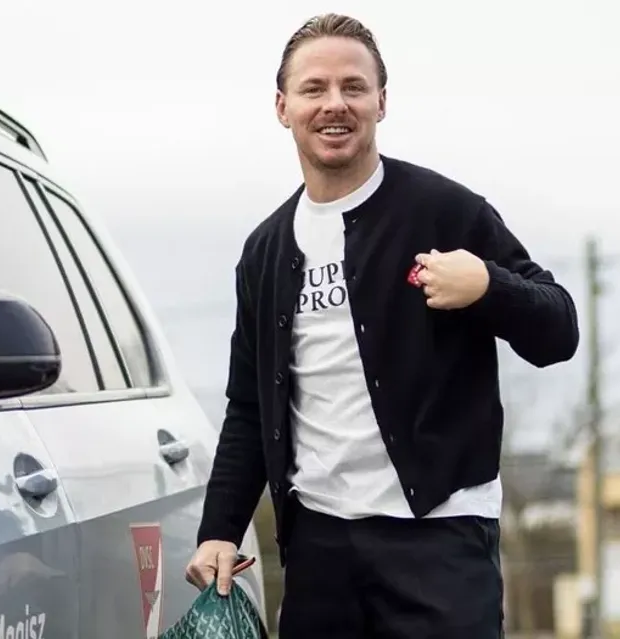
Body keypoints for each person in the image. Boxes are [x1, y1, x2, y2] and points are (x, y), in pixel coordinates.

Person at [185, 12, 579, 638]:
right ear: (283, 107)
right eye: (314, 88)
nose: (334, 104)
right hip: (319, 549)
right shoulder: (264, 252)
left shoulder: (446, 212)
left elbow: (559, 329)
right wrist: (219, 531)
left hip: (441, 538)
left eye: (354, 87)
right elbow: (249, 409)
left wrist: (487, 285)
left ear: (382, 102)